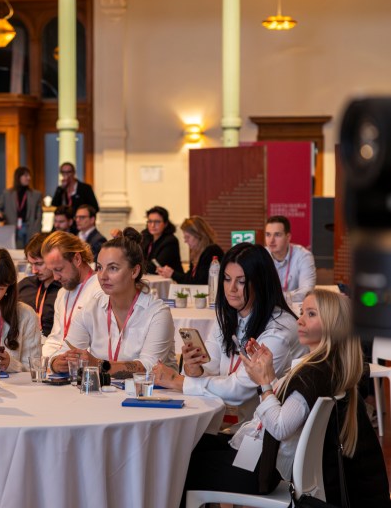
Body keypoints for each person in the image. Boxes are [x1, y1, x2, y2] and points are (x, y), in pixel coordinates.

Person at [181, 290, 390, 507]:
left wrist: (264, 384)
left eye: (311, 314)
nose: (300, 320)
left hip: (261, 469)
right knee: (188, 444)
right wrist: (269, 375)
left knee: (179, 461)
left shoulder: (313, 374)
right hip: (259, 458)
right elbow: (289, 407)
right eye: (302, 312)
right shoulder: (322, 367)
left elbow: (280, 427)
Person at [153, 243, 306, 427]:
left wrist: (179, 381)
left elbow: (240, 390)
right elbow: (210, 367)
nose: (231, 288)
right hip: (229, 425)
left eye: (241, 281)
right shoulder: (229, 317)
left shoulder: (279, 329)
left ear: (260, 283)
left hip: (261, 433)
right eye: (226, 279)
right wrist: (195, 370)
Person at [48, 228, 177, 376]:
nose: (102, 276)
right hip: (103, 389)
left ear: (134, 271)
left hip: (148, 390)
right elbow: (65, 350)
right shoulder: (92, 308)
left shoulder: (157, 312)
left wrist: (99, 364)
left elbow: (149, 367)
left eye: (113, 268)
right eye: (99, 267)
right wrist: (57, 363)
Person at [40, 231, 104, 357]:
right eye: (52, 271)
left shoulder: (101, 290)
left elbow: (100, 346)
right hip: (63, 362)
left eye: (59, 269)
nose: (55, 277)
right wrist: (50, 362)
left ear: (77, 259)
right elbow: (55, 339)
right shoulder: (62, 293)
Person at [157, 215, 224, 284]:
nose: (185, 241)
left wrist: (173, 274)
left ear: (199, 235)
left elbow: (199, 282)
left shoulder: (212, 251)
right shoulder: (197, 253)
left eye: (188, 237)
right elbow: (189, 278)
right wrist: (171, 273)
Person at [17, 232, 61, 336]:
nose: (34, 271)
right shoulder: (24, 285)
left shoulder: (65, 290)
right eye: (31, 264)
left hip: (54, 343)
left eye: (39, 264)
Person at [265, 215, 316, 303]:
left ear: (288, 237)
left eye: (277, 235)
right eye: (268, 234)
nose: (271, 240)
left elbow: (307, 291)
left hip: (294, 308)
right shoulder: (261, 255)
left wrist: (275, 297)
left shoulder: (303, 256)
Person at [0, 166, 44, 248]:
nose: (29, 178)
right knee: (15, 252)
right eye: (26, 175)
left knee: (30, 252)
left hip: (30, 229)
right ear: (18, 177)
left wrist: (37, 231)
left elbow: (39, 216)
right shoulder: (7, 194)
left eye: (29, 176)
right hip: (13, 229)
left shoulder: (36, 194)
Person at [140, 205, 182, 275]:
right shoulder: (146, 237)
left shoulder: (170, 241)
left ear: (165, 224)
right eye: (150, 221)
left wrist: (136, 263)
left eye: (157, 222)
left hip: (170, 280)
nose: (152, 225)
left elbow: (156, 267)